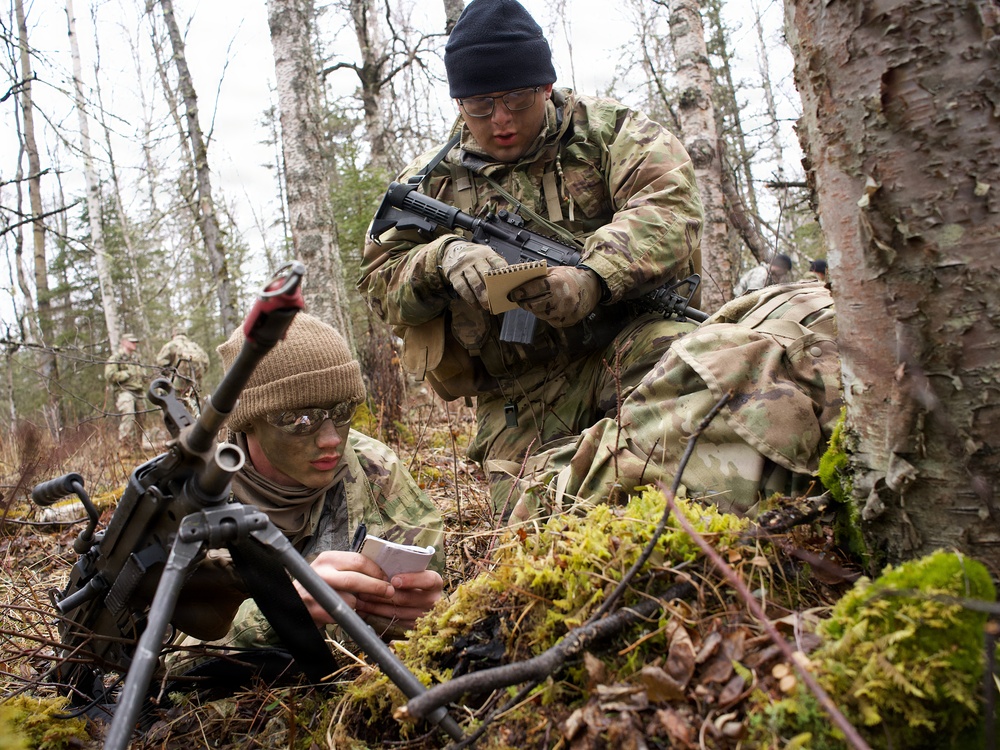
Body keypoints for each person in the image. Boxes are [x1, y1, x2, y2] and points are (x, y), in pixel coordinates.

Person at [358, 0, 704, 518]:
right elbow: (378, 278)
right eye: (479, 106)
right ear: (458, 103)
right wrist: (441, 258)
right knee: (530, 526)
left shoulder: (612, 133)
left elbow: (671, 204)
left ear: (546, 87)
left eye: (518, 99)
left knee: (686, 427)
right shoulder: (431, 181)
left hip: (626, 346)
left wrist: (592, 277)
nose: (500, 120)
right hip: (519, 395)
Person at [173, 313, 445, 657]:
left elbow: (434, 589)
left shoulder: (373, 467)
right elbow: (162, 663)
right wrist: (281, 615)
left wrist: (427, 610)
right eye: (301, 419)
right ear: (248, 421)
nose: (332, 439)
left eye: (344, 411)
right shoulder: (191, 503)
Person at [507, 281, 842, 524]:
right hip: (519, 386)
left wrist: (593, 276)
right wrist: (453, 250)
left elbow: (668, 212)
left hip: (633, 345)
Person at [104, 333, 146, 449]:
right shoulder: (116, 358)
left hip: (139, 391)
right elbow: (109, 375)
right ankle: (125, 447)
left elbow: (142, 374)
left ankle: (138, 447)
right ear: (124, 343)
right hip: (124, 391)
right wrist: (125, 375)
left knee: (142, 417)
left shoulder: (136, 358)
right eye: (132, 342)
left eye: (135, 342)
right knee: (129, 414)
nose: (134, 344)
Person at [156, 327, 210, 415]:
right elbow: (206, 364)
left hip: (177, 386)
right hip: (194, 386)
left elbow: (160, 363)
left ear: (174, 335)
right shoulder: (195, 347)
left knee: (176, 413)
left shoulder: (172, 345)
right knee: (194, 410)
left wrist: (169, 374)